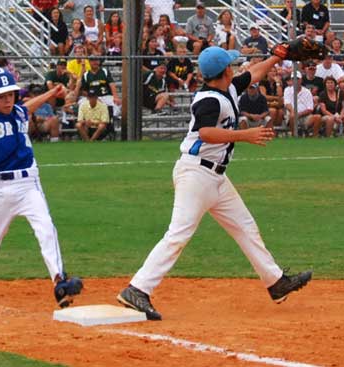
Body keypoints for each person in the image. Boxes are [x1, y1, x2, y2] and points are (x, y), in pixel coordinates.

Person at [117, 46, 312, 321]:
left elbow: (253, 74)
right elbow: (206, 132)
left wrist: (278, 56)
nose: (236, 68)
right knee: (178, 234)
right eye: (232, 65)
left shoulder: (228, 88)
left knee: (245, 227)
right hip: (196, 175)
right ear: (225, 71)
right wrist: (245, 135)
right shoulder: (208, 100)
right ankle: (137, 288)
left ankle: (276, 282)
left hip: (216, 177)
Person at [0, 47, 83, 308]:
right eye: (1, 96)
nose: (7, 100)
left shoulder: (18, 113)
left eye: (10, 94)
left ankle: (60, 282)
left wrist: (51, 94)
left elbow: (27, 106)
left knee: (46, 228)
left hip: (28, 184)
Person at [284, 71, 321, 136]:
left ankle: (315, 138)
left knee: (318, 117)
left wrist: (300, 114)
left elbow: (310, 108)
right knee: (292, 116)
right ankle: (294, 136)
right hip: (292, 114)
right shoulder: (287, 90)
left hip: (305, 115)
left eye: (297, 79)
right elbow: (287, 104)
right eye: (293, 79)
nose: (295, 81)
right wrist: (293, 111)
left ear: (301, 80)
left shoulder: (307, 92)